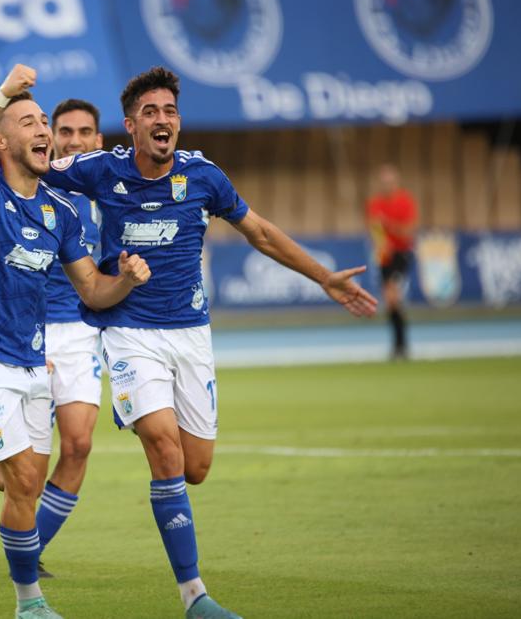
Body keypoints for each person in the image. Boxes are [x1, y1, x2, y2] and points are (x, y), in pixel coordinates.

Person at [43, 67, 378, 619]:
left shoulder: (204, 177)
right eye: (150, 112)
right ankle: (195, 597)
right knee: (165, 450)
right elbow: (34, 169)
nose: (162, 120)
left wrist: (324, 277)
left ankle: (182, 555)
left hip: (192, 336)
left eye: (169, 111)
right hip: (129, 335)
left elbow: (260, 233)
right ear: (130, 126)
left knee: (195, 467)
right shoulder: (100, 170)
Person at [0, 65, 150, 619]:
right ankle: (30, 604)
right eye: (30, 121)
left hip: (30, 356)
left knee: (22, 483)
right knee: (21, 478)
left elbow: (91, 287)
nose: (44, 129)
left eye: (45, 120)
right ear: (0, 140)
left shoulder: (61, 213)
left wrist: (127, 281)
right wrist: (2, 94)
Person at [0, 99, 105, 578]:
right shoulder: (18, 179)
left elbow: (97, 280)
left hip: (72, 332)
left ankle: (28, 557)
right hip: (20, 335)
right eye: (60, 129)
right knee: (22, 475)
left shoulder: (98, 201)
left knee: (74, 448)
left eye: (81, 133)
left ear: (99, 143)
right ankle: (28, 580)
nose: (68, 139)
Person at [366, 164, 417, 360]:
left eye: (390, 182)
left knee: (393, 297)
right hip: (385, 255)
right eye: (384, 182)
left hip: (401, 253)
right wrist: (380, 242)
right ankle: (398, 345)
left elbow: (407, 231)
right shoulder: (375, 203)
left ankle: (401, 345)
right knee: (389, 302)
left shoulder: (405, 201)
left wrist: (389, 225)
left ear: (396, 182)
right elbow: (374, 230)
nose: (387, 185)